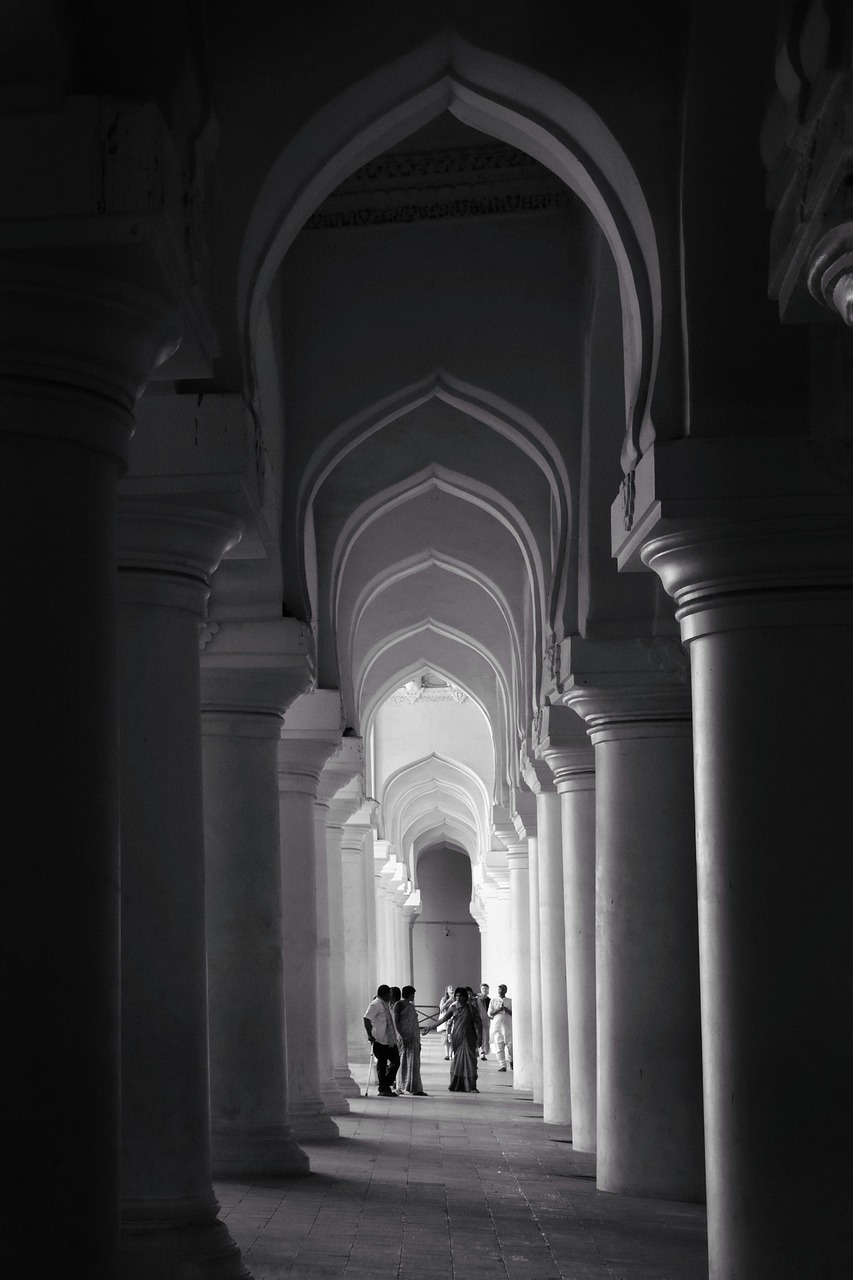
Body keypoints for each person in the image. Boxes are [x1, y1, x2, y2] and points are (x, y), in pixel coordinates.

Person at [435, 986, 482, 1092]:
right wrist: (430, 1027)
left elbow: (479, 1023)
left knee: (470, 1060)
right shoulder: (453, 1008)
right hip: (457, 1036)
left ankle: (471, 1086)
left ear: (465, 997)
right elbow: (443, 1019)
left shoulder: (471, 1008)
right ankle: (457, 1084)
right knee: (457, 1060)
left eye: (461, 996)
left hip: (469, 1037)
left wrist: (480, 1038)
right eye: (456, 995)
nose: (458, 998)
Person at [363, 984, 400, 1097]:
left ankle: (385, 1084)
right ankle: (383, 1088)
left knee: (396, 1061)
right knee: (382, 1065)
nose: (390, 996)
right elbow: (366, 1018)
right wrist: (369, 1035)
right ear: (384, 994)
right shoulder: (375, 1004)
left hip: (389, 1040)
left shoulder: (385, 1004)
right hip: (379, 1039)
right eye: (389, 993)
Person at [394, 985, 427, 1095]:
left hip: (413, 1038)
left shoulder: (411, 1006)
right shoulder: (399, 1005)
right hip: (404, 1038)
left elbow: (414, 1024)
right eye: (413, 994)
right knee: (403, 1062)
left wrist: (418, 1040)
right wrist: (401, 1036)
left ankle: (414, 1087)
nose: (414, 996)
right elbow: (396, 1022)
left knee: (414, 1063)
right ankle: (400, 1086)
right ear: (409, 994)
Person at [488, 983, 513, 1071]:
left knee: (510, 1046)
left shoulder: (509, 1001)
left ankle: (512, 1060)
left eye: (502, 989)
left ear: (506, 991)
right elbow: (490, 1013)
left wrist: (506, 1009)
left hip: (508, 1027)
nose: (501, 991)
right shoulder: (493, 1000)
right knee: (499, 1046)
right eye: (499, 989)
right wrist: (498, 1010)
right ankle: (502, 1065)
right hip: (497, 1027)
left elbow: (513, 1013)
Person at [438, 983, 455, 1060]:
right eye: (450, 988)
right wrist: (448, 1001)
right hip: (445, 1019)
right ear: (447, 991)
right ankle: (447, 1054)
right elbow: (441, 1008)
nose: (452, 989)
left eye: (452, 988)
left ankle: (451, 1054)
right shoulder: (444, 999)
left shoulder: (455, 999)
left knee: (452, 1037)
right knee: (445, 1038)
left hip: (453, 1020)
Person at [475, 982, 491, 1059]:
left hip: (486, 1020)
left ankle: (483, 1052)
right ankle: (479, 1050)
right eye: (483, 988)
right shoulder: (477, 999)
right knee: (479, 1035)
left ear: (488, 990)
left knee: (485, 1036)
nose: (484, 990)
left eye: (486, 989)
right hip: (478, 1020)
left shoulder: (489, 1000)